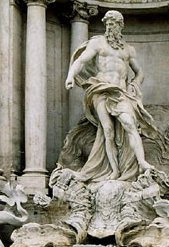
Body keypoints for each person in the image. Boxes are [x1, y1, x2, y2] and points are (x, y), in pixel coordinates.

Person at [64, 10, 159, 183]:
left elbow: (140, 72)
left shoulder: (129, 50)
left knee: (129, 124)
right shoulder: (98, 43)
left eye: (113, 23)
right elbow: (81, 61)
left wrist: (134, 84)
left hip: (121, 93)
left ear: (120, 26)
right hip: (101, 89)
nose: (109, 26)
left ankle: (142, 162)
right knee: (107, 130)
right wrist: (71, 76)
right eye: (107, 23)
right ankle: (114, 170)